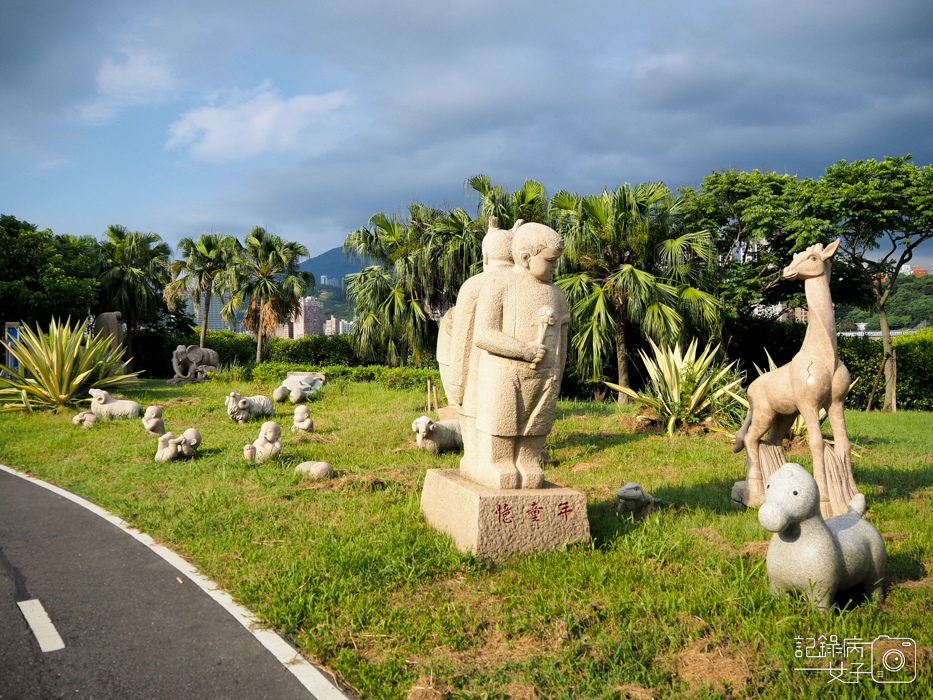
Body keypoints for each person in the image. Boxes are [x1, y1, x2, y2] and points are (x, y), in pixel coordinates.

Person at [471, 222, 569, 489]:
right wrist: (523, 351)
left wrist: (558, 370)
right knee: (504, 420)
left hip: (545, 376)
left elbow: (562, 338)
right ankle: (499, 463)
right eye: (550, 261)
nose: (554, 267)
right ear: (526, 258)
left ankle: (528, 461)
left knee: (536, 424)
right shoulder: (499, 284)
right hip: (505, 373)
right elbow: (483, 334)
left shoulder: (557, 295)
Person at [446, 217, 520, 481]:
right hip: (514, 373)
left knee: (473, 417)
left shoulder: (475, 285)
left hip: (478, 372)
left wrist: (456, 383)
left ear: (486, 254)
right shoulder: (524, 283)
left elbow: (463, 339)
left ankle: (476, 462)